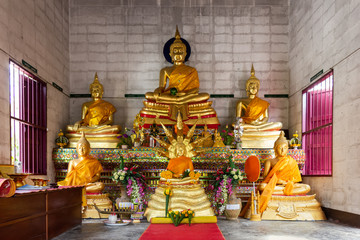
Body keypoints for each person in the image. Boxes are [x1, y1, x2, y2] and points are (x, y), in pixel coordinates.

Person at [258, 131, 310, 213]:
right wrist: (276, 181)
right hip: (275, 185)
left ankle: (283, 191)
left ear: (287, 149)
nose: (282, 150)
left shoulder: (291, 161)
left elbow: (296, 179)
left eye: (285, 148)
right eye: (280, 148)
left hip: (287, 185)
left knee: (306, 187)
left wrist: (286, 183)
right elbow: (265, 177)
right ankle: (284, 191)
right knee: (262, 186)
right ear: (275, 148)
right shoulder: (270, 161)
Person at [236, 65, 282, 132]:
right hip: (248, 124)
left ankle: (257, 129)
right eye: (251, 87)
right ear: (247, 89)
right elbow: (238, 118)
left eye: (256, 87)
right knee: (237, 125)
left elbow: (266, 117)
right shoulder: (241, 102)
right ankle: (256, 129)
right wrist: (243, 122)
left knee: (279, 124)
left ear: (258, 88)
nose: (254, 89)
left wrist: (260, 123)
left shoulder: (263, 103)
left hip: (261, 125)